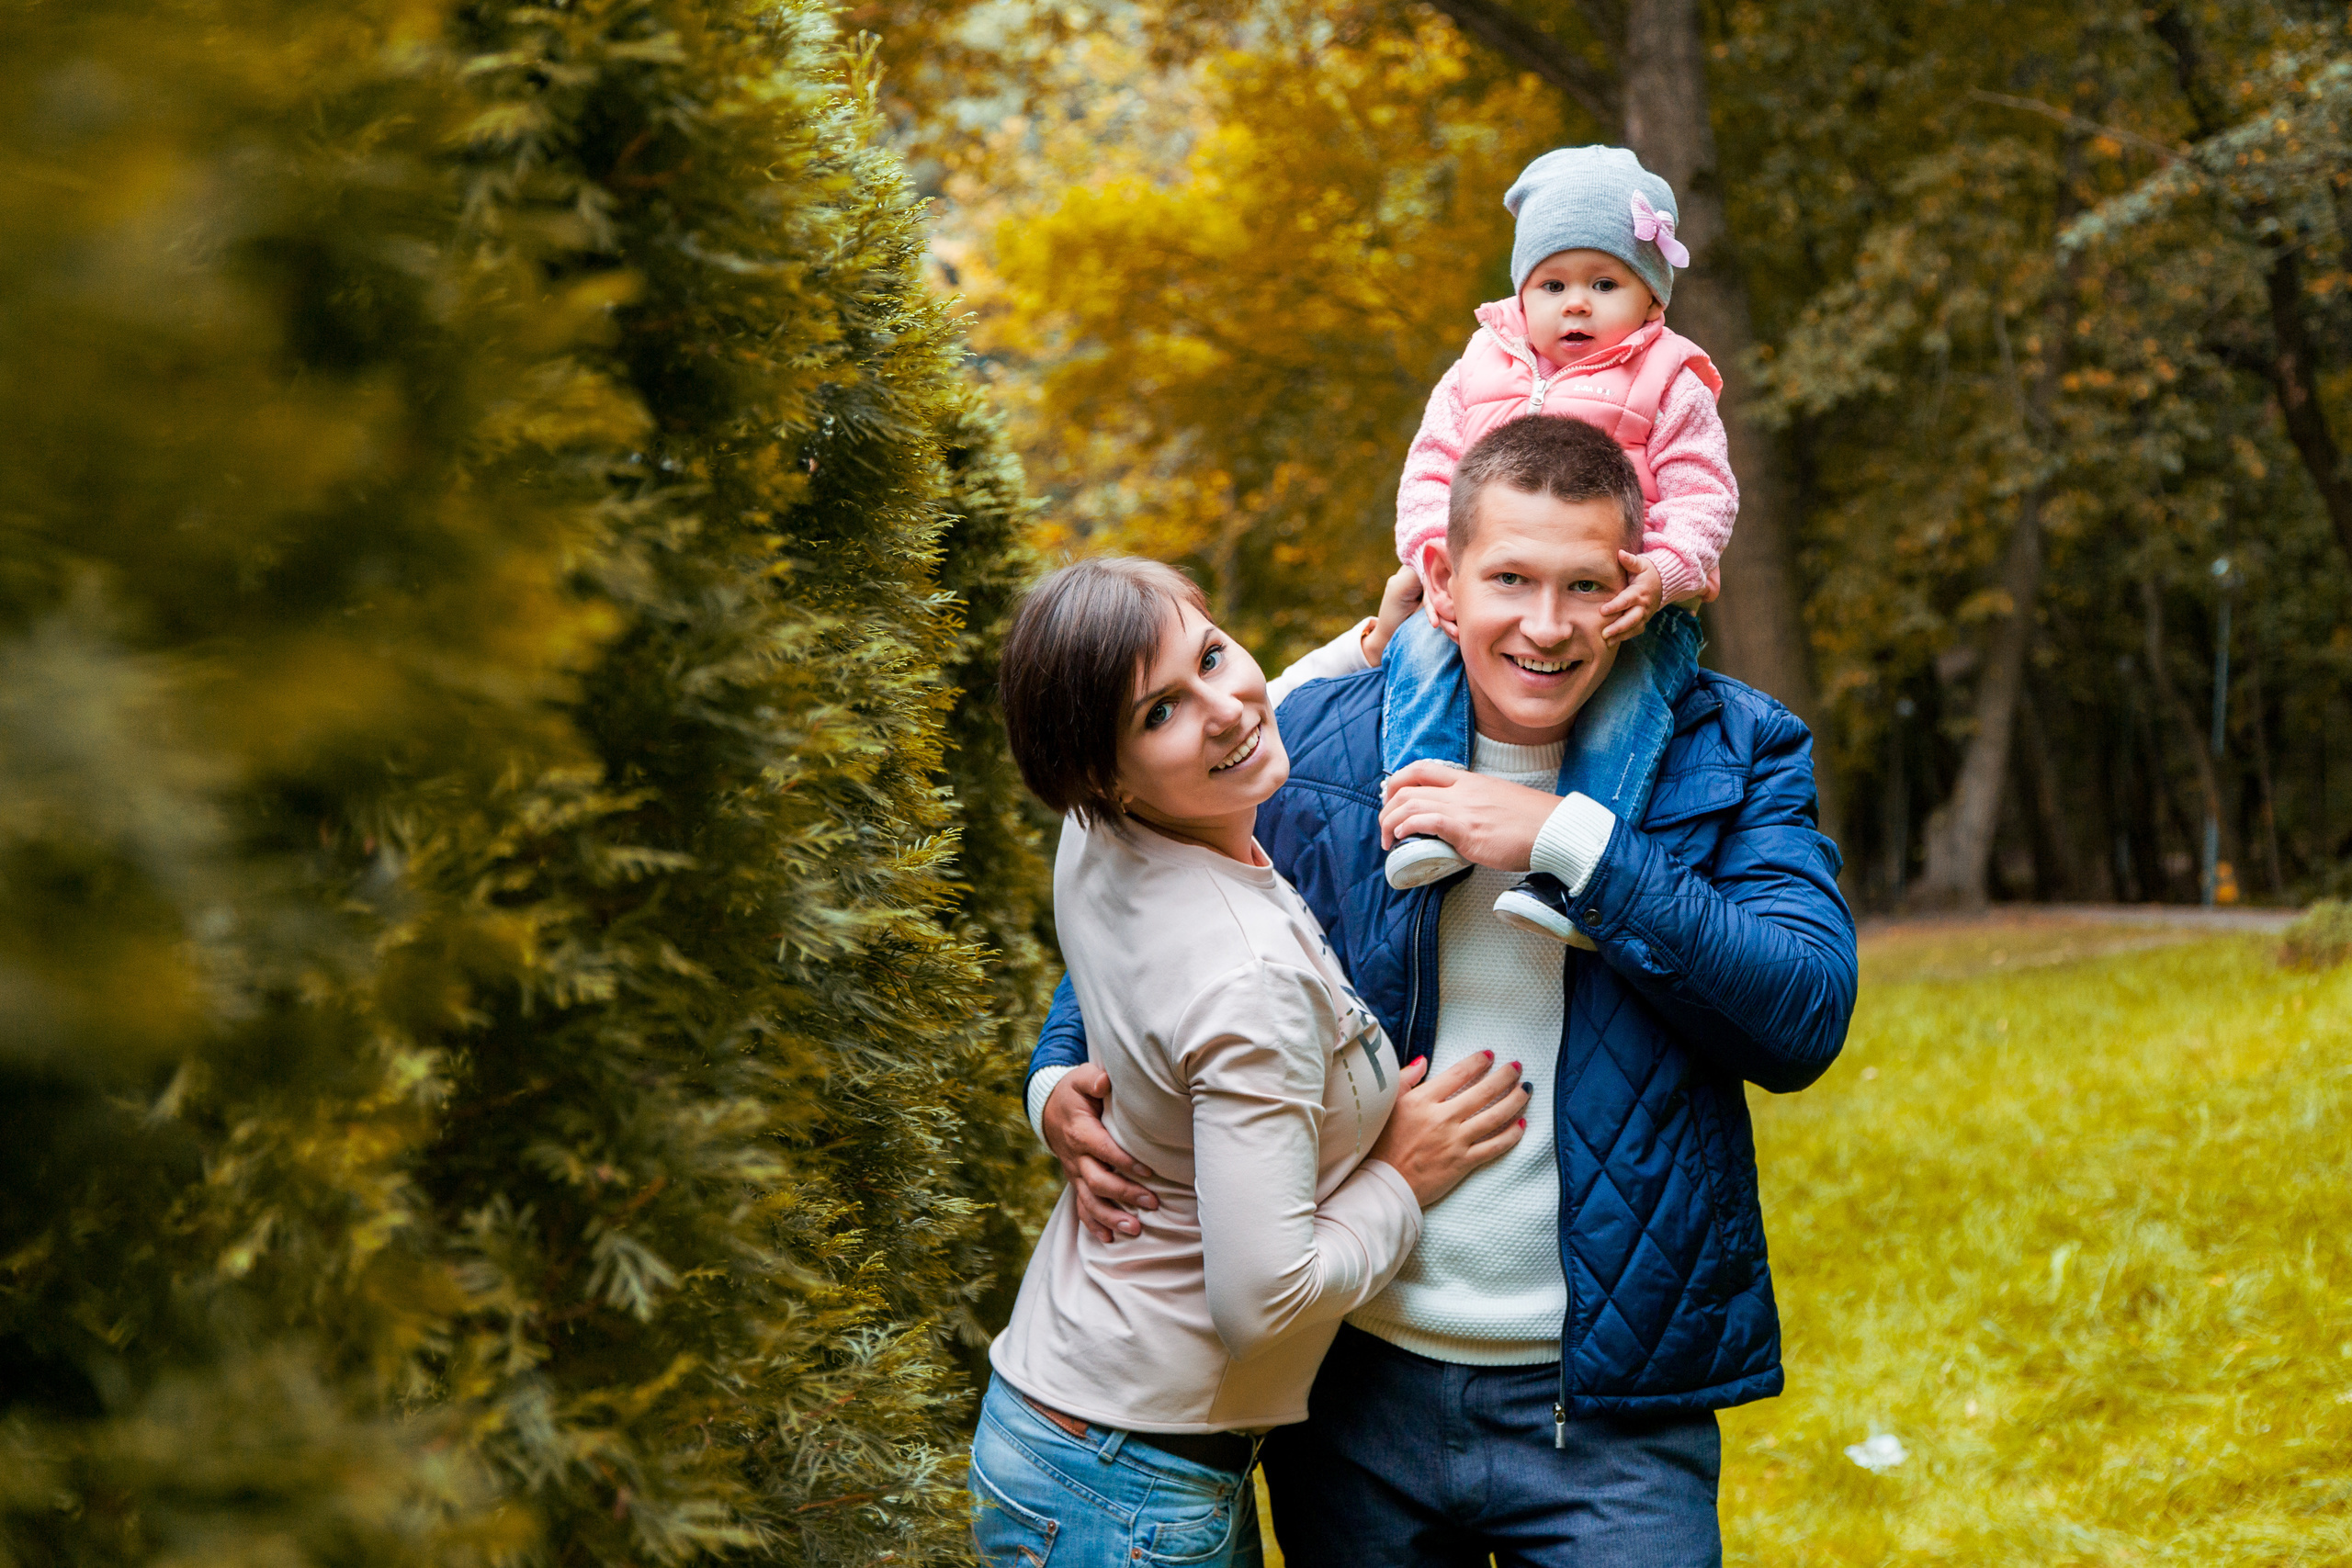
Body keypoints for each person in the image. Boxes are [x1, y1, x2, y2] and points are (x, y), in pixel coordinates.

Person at [1029, 417, 1857, 1566]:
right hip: (1355, 1385)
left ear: (1641, 589)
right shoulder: (1307, 743)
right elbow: (1158, 905)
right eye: (1510, 579)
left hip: (1611, 1410)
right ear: (1441, 579)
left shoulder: (1737, 749)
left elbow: (1804, 1016)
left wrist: (1573, 843)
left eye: (1589, 585)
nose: (1548, 625)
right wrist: (1057, 1067)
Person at [974, 557, 1532, 1568]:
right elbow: (1262, 1296)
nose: (1229, 707)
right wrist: (1398, 1179)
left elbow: (1234, 718)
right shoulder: (1246, 977)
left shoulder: (1093, 835)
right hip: (1134, 1486)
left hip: (1059, 1427)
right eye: (1160, 713)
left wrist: (1372, 642)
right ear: (1103, 772)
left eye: (1215, 655)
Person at [1382, 145, 1738, 954]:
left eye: (1603, 283)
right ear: (1523, 292)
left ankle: (1571, 872)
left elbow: (1706, 493)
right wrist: (1430, 558)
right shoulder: (1480, 366)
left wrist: (1663, 571)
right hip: (1477, 591)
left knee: (1627, 706)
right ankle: (1423, 814)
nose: (1576, 306)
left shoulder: (1668, 379)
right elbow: (1431, 468)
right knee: (1419, 655)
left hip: (1626, 601)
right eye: (1554, 285)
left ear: (1652, 298)